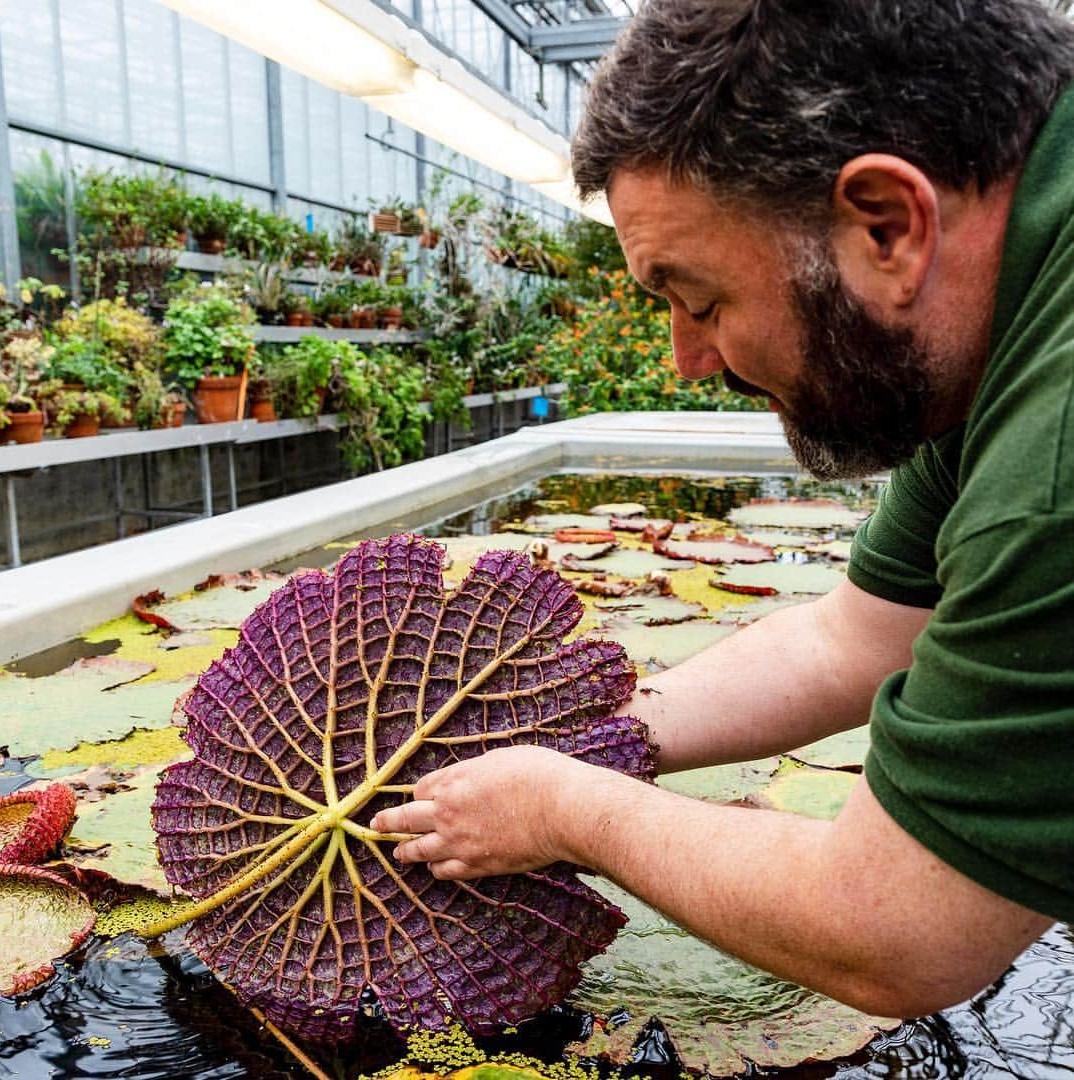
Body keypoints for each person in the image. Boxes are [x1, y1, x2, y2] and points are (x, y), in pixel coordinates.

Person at [371, 0, 1074, 1018]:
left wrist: (568, 808)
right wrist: (581, 732)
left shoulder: (1052, 464)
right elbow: (853, 639)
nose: (689, 361)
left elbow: (894, 931)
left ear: (886, 223)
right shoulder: (991, 334)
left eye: (697, 300)